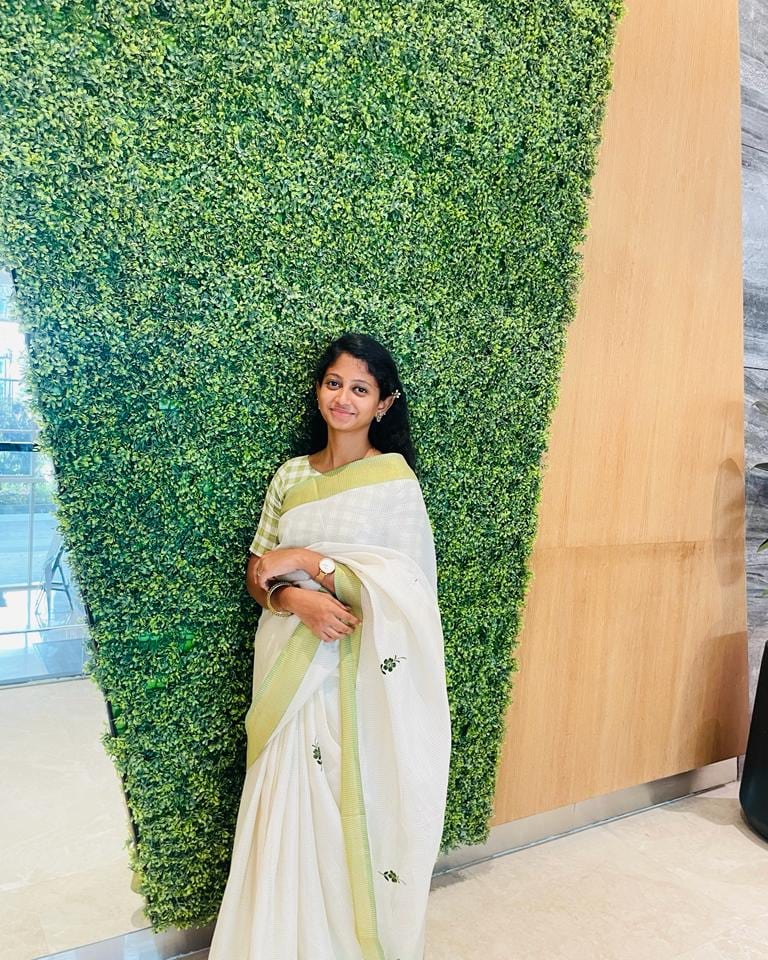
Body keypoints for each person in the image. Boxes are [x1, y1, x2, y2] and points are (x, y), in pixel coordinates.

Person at [208, 332, 452, 960]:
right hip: (286, 662)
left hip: (354, 675)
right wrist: (296, 599)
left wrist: (308, 560)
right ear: (319, 390)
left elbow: (406, 592)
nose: (344, 398)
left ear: (383, 403)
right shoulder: (290, 475)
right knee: (282, 798)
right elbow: (259, 571)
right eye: (334, 383)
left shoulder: (394, 483)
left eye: (360, 389)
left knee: (347, 799)